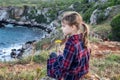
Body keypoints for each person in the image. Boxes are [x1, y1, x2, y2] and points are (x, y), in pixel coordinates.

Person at [47, 11, 91, 80]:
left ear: (73, 27)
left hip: (71, 76)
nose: (62, 28)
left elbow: (64, 67)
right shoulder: (83, 38)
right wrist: (63, 55)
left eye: (64, 26)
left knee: (53, 55)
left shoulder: (71, 43)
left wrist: (60, 57)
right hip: (81, 72)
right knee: (58, 56)